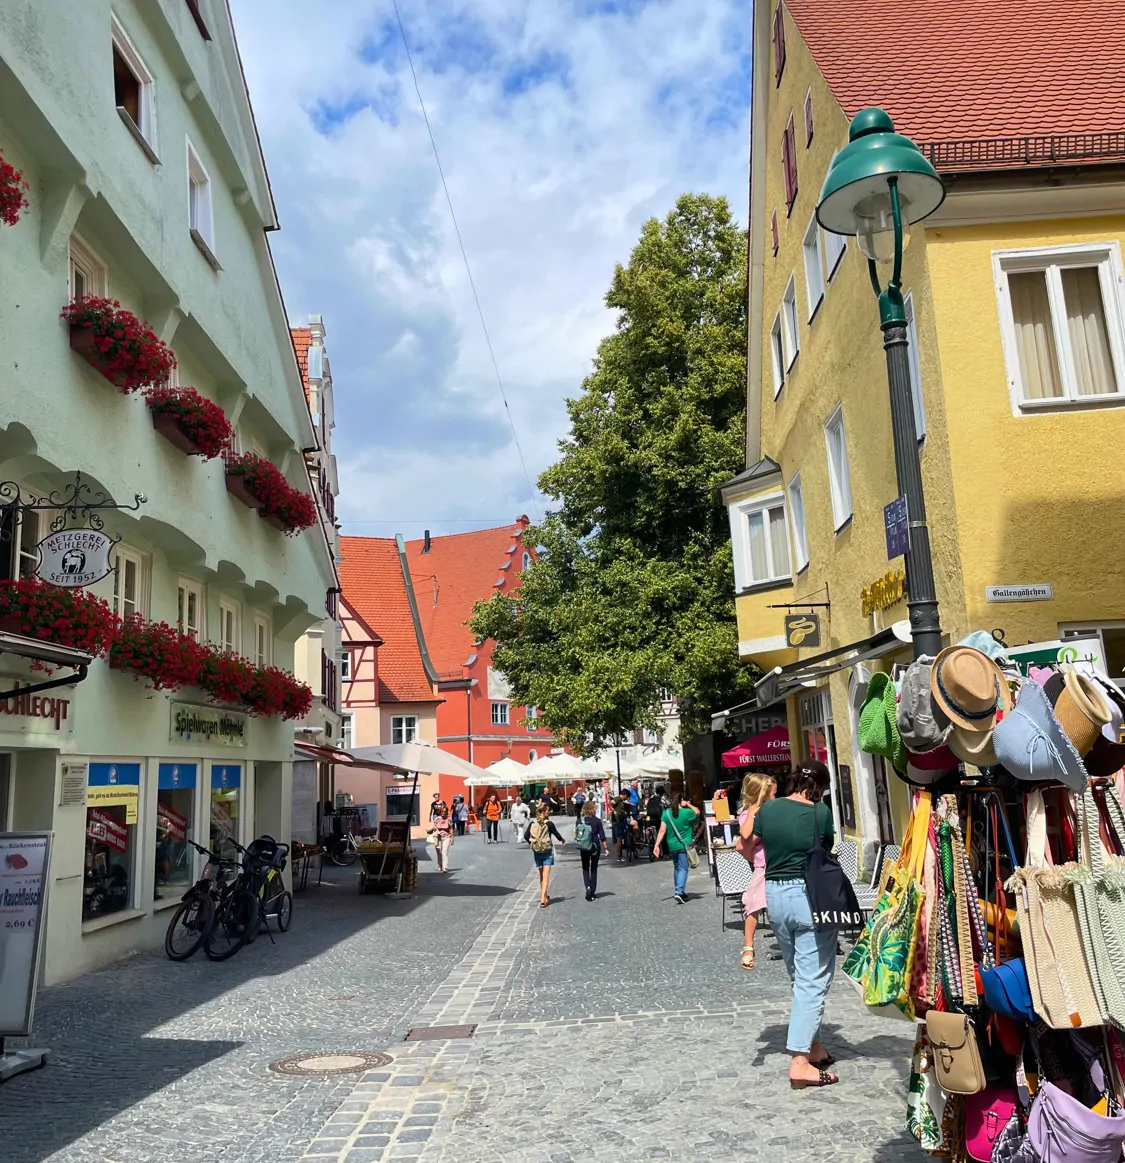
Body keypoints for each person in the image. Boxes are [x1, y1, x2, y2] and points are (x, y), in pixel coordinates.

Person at [753, 761, 839, 1089]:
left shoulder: (769, 809)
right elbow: (826, 848)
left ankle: (814, 1047)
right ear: (820, 785)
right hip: (809, 896)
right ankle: (800, 1062)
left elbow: (749, 844)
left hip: (775, 896)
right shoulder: (820, 812)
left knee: (799, 977)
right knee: (813, 980)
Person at [736, 772, 776, 970]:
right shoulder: (749, 812)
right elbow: (744, 835)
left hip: (778, 862)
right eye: (772, 793)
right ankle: (749, 946)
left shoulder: (773, 808)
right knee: (753, 904)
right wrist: (753, 811)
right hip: (763, 866)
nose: (774, 797)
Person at [652, 789, 699, 903]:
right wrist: (688, 804)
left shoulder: (666, 813)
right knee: (683, 868)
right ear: (681, 800)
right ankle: (679, 892)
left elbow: (662, 830)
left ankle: (680, 891)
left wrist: (656, 845)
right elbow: (697, 812)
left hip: (671, 845)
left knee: (677, 867)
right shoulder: (687, 812)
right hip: (684, 845)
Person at [524, 803, 565, 907]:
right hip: (547, 851)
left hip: (537, 852)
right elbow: (556, 834)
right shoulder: (549, 823)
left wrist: (533, 844)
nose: (549, 812)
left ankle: (544, 896)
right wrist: (562, 840)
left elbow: (526, 836)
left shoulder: (533, 823)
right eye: (547, 810)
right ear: (543, 812)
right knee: (546, 876)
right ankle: (543, 898)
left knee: (541, 875)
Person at [574, 799, 609, 901]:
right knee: (594, 868)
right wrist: (606, 847)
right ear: (593, 809)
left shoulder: (579, 821)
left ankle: (587, 886)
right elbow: (602, 835)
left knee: (585, 867)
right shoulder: (597, 821)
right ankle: (592, 892)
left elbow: (577, 834)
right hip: (594, 846)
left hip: (584, 846)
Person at [431, 803, 454, 873]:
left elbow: (451, 829)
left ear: (447, 812)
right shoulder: (437, 819)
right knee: (439, 853)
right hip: (438, 838)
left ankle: (445, 867)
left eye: (445, 812)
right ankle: (440, 865)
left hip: (446, 837)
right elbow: (434, 828)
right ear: (440, 812)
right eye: (442, 812)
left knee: (444, 852)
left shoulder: (449, 819)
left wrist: (452, 838)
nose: (444, 813)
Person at [611, 792, 633, 862]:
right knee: (619, 838)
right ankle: (619, 855)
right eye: (627, 796)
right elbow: (610, 803)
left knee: (622, 835)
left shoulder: (621, 801)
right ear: (625, 795)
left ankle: (626, 847)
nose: (627, 798)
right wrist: (613, 811)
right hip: (618, 820)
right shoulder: (618, 798)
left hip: (622, 819)